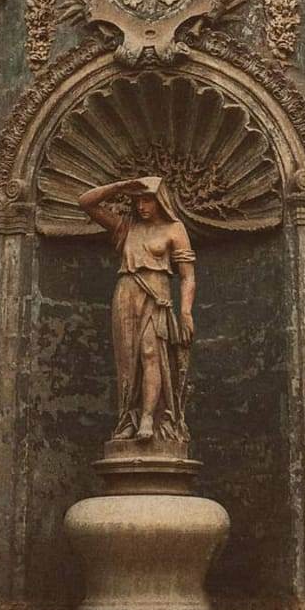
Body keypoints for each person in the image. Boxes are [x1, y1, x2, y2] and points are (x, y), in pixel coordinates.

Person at [78, 176, 195, 442]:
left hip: (157, 296)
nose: (142, 206)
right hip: (126, 293)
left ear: (160, 201)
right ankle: (128, 418)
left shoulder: (174, 229)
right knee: (128, 360)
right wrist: (120, 187)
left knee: (151, 353)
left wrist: (186, 311)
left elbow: (188, 275)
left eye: (147, 200)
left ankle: (148, 417)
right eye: (138, 201)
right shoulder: (126, 227)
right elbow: (85, 203)